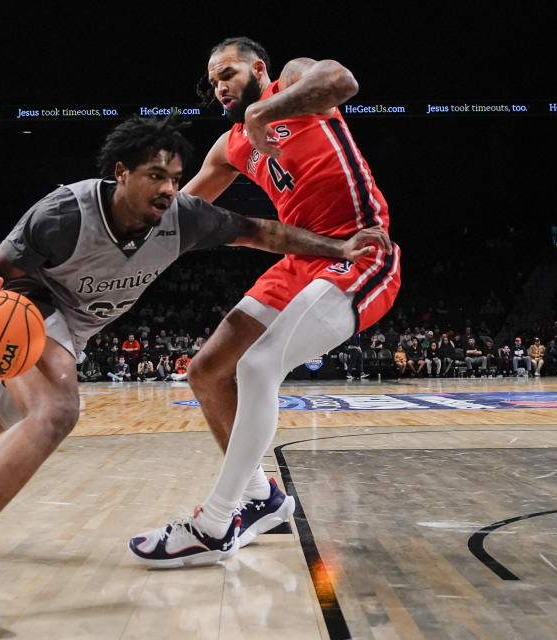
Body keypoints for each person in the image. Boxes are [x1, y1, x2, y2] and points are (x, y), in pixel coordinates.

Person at [0, 116, 388, 633]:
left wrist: (339, 250)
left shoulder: (185, 218)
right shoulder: (66, 212)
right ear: (120, 171)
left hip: (66, 331)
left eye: (176, 177)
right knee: (58, 410)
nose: (169, 188)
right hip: (23, 311)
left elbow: (263, 232)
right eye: (156, 174)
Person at [129, 37, 399, 568]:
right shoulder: (230, 145)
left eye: (227, 73)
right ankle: (260, 495)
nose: (220, 87)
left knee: (257, 366)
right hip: (301, 256)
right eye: (213, 83)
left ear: (258, 68)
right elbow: (184, 210)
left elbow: (344, 81)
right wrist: (120, 228)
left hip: (359, 247)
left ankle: (212, 524)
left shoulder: (298, 81)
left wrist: (263, 109)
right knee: (207, 371)